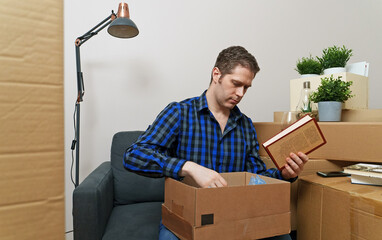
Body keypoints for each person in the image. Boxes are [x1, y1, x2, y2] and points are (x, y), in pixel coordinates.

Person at [123, 46, 309, 240]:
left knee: (283, 237)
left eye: (246, 87)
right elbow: (133, 155)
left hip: (233, 215)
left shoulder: (245, 125)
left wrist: (284, 174)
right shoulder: (180, 112)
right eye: (236, 83)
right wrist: (189, 167)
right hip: (187, 215)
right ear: (216, 74)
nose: (241, 93)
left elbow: (256, 177)